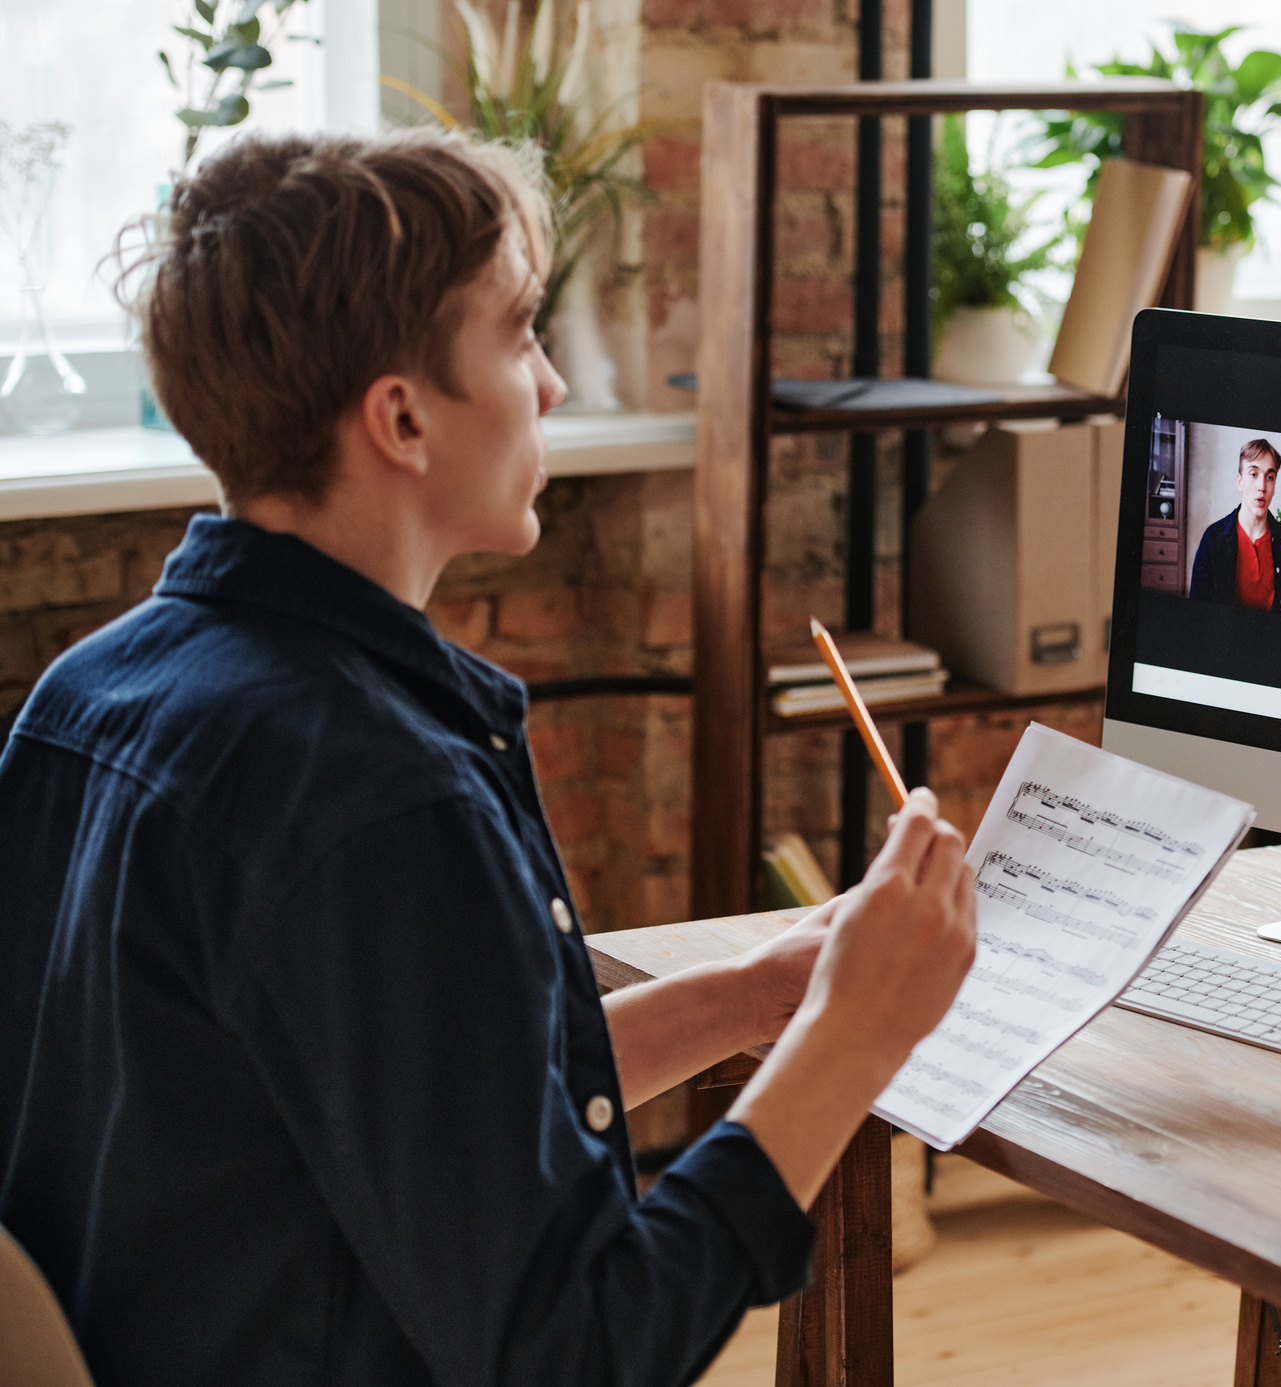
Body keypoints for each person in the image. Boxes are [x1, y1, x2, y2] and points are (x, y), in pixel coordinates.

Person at [0, 129, 978, 1387]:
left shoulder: (83, 698)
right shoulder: (379, 798)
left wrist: (752, 993)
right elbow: (579, 1347)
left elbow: (415, 1106)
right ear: (401, 418)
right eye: (520, 333)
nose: (556, 384)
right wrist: (853, 1037)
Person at [1187, 438, 1281, 618]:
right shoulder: (1213, 538)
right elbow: (1197, 609)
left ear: (1274, 485)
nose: (1262, 486)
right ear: (1239, 481)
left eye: (1270, 477)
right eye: (1253, 474)